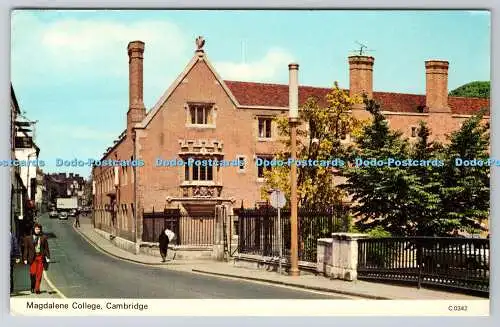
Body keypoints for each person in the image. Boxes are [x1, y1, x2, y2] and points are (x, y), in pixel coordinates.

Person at [23, 223, 51, 294]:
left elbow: (46, 248)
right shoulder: (28, 238)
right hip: (32, 258)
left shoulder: (43, 238)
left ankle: (37, 289)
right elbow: (26, 249)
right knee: (33, 273)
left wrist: (48, 257)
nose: (38, 230)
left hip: (40, 257)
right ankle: (32, 286)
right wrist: (25, 258)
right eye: (36, 229)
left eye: (39, 229)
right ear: (34, 229)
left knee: (39, 274)